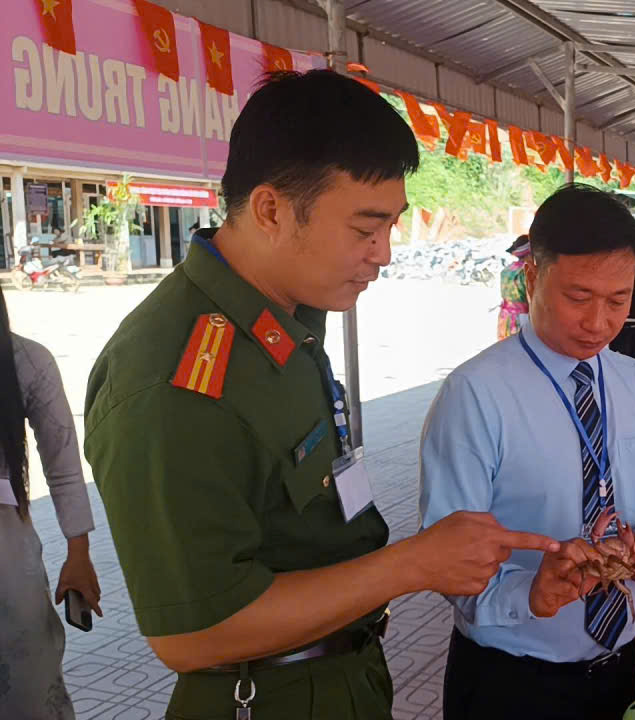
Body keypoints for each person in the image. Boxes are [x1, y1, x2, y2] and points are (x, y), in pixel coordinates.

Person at [83, 70, 559, 719]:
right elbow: (192, 635)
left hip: (341, 672)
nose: (383, 253)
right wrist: (414, 565)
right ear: (272, 210)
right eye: (365, 228)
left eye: (391, 225)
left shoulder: (287, 316)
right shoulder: (175, 382)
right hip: (264, 695)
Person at [419, 184, 635, 720]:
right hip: (511, 679)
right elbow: (443, 552)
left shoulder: (634, 382)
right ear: (532, 278)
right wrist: (528, 593)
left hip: (617, 663)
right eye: (578, 297)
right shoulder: (476, 393)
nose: (598, 323)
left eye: (617, 300)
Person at [0, 284, 101, 719]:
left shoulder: (27, 360)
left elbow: (63, 469)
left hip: (9, 564)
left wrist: (79, 554)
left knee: (27, 689)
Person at [497, 235, 532, 341]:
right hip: (521, 320)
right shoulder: (528, 271)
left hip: (505, 317)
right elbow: (531, 299)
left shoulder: (507, 269)